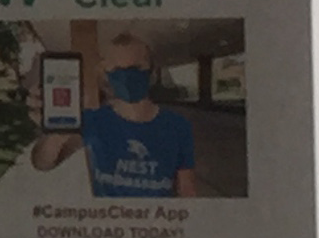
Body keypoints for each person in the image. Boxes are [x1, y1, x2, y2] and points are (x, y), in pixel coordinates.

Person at [30, 32, 200, 199]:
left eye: (136, 67)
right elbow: (43, 163)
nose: (127, 75)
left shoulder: (178, 126)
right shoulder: (94, 120)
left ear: (153, 72)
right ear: (106, 75)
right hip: (110, 223)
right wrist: (56, 133)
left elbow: (187, 190)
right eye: (117, 69)